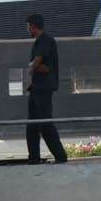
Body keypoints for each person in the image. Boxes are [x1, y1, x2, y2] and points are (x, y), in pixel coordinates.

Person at [25, 14, 67, 164]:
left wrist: (33, 66)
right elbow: (40, 66)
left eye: (28, 26)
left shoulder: (46, 40)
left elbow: (37, 62)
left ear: (33, 26)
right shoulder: (37, 42)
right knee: (32, 126)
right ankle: (33, 158)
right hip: (35, 87)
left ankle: (60, 156)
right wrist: (38, 67)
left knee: (45, 123)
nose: (28, 29)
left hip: (43, 88)